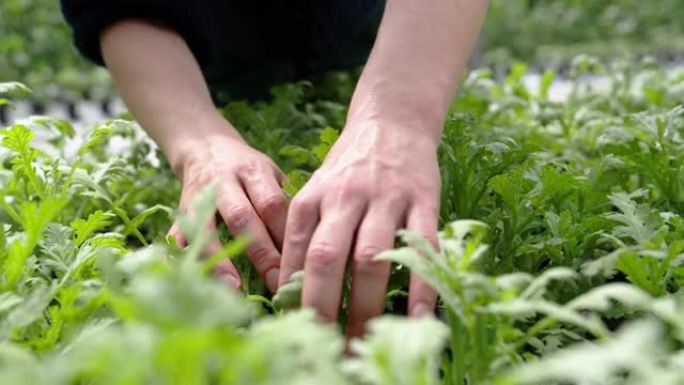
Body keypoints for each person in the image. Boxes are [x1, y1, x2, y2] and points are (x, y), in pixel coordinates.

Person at [60, 0, 488, 338]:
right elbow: (114, 6)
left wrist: (396, 116)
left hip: (376, 31)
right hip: (198, 51)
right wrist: (200, 144)